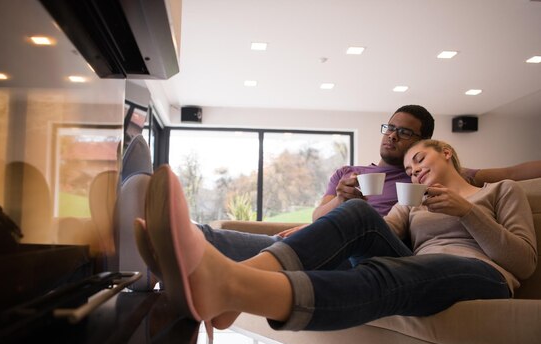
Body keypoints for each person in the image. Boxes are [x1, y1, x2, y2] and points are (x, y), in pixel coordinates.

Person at [134, 139, 537, 333]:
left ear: (445, 152)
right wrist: (320, 228)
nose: (414, 172)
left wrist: (466, 212)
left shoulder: (499, 191)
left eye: (420, 160)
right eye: (411, 170)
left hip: (483, 273)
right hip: (422, 263)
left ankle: (230, 284)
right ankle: (223, 289)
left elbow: (522, 262)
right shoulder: (413, 203)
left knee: (386, 275)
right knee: (357, 212)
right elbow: (371, 230)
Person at [198, 104, 541, 260]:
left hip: (381, 245)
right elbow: (319, 217)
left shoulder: (435, 174)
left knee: (350, 225)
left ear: (426, 144)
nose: (392, 136)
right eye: (389, 128)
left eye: (404, 132)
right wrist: (341, 201)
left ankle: (198, 242)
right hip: (339, 235)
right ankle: (190, 239)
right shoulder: (348, 172)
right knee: (270, 240)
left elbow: (515, 171)